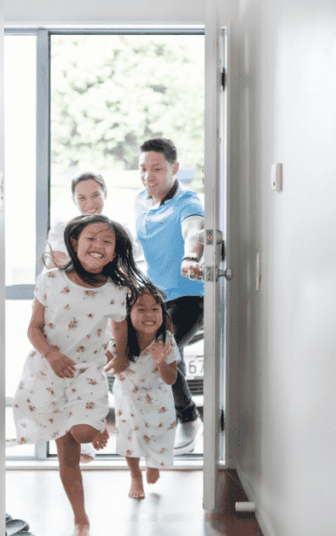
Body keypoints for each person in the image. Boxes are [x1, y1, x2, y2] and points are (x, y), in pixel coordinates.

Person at [13, 214, 145, 536]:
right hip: (49, 371)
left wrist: (121, 356)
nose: (98, 245)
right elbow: (33, 329)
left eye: (107, 241)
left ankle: (93, 425)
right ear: (75, 243)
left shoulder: (115, 290)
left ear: (114, 253)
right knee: (68, 456)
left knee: (84, 433)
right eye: (91, 238)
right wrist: (51, 355)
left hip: (86, 371)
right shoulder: (50, 279)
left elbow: (119, 327)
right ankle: (80, 518)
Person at [131, 137, 205, 454]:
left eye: (157, 169)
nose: (148, 176)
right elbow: (142, 246)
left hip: (189, 297)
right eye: (143, 169)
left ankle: (188, 418)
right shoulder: (141, 201)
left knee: (159, 349)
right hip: (156, 298)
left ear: (174, 168)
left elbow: (194, 230)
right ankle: (173, 422)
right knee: (169, 354)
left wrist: (191, 256)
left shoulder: (187, 201)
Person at [106, 284, 179, 499]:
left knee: (159, 434)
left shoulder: (166, 340)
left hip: (159, 399)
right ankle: (135, 475)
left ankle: (154, 462)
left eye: (155, 309)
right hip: (128, 398)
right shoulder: (120, 340)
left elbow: (171, 379)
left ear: (163, 314)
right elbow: (106, 364)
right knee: (130, 437)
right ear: (127, 314)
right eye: (141, 309)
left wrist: (161, 361)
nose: (149, 315)